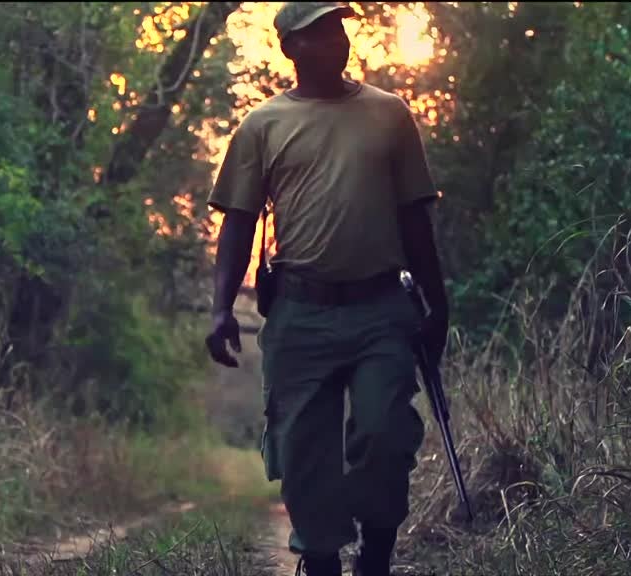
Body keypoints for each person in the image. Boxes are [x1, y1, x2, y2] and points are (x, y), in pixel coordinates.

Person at [204, 2, 450, 575]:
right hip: (299, 312)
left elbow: (416, 217)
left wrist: (438, 303)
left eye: (339, 27)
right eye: (320, 32)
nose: (338, 39)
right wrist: (220, 309)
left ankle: (378, 551)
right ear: (291, 48)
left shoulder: (390, 114)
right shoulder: (263, 124)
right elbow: (237, 221)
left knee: (386, 430)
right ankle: (319, 558)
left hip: (382, 308)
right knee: (303, 450)